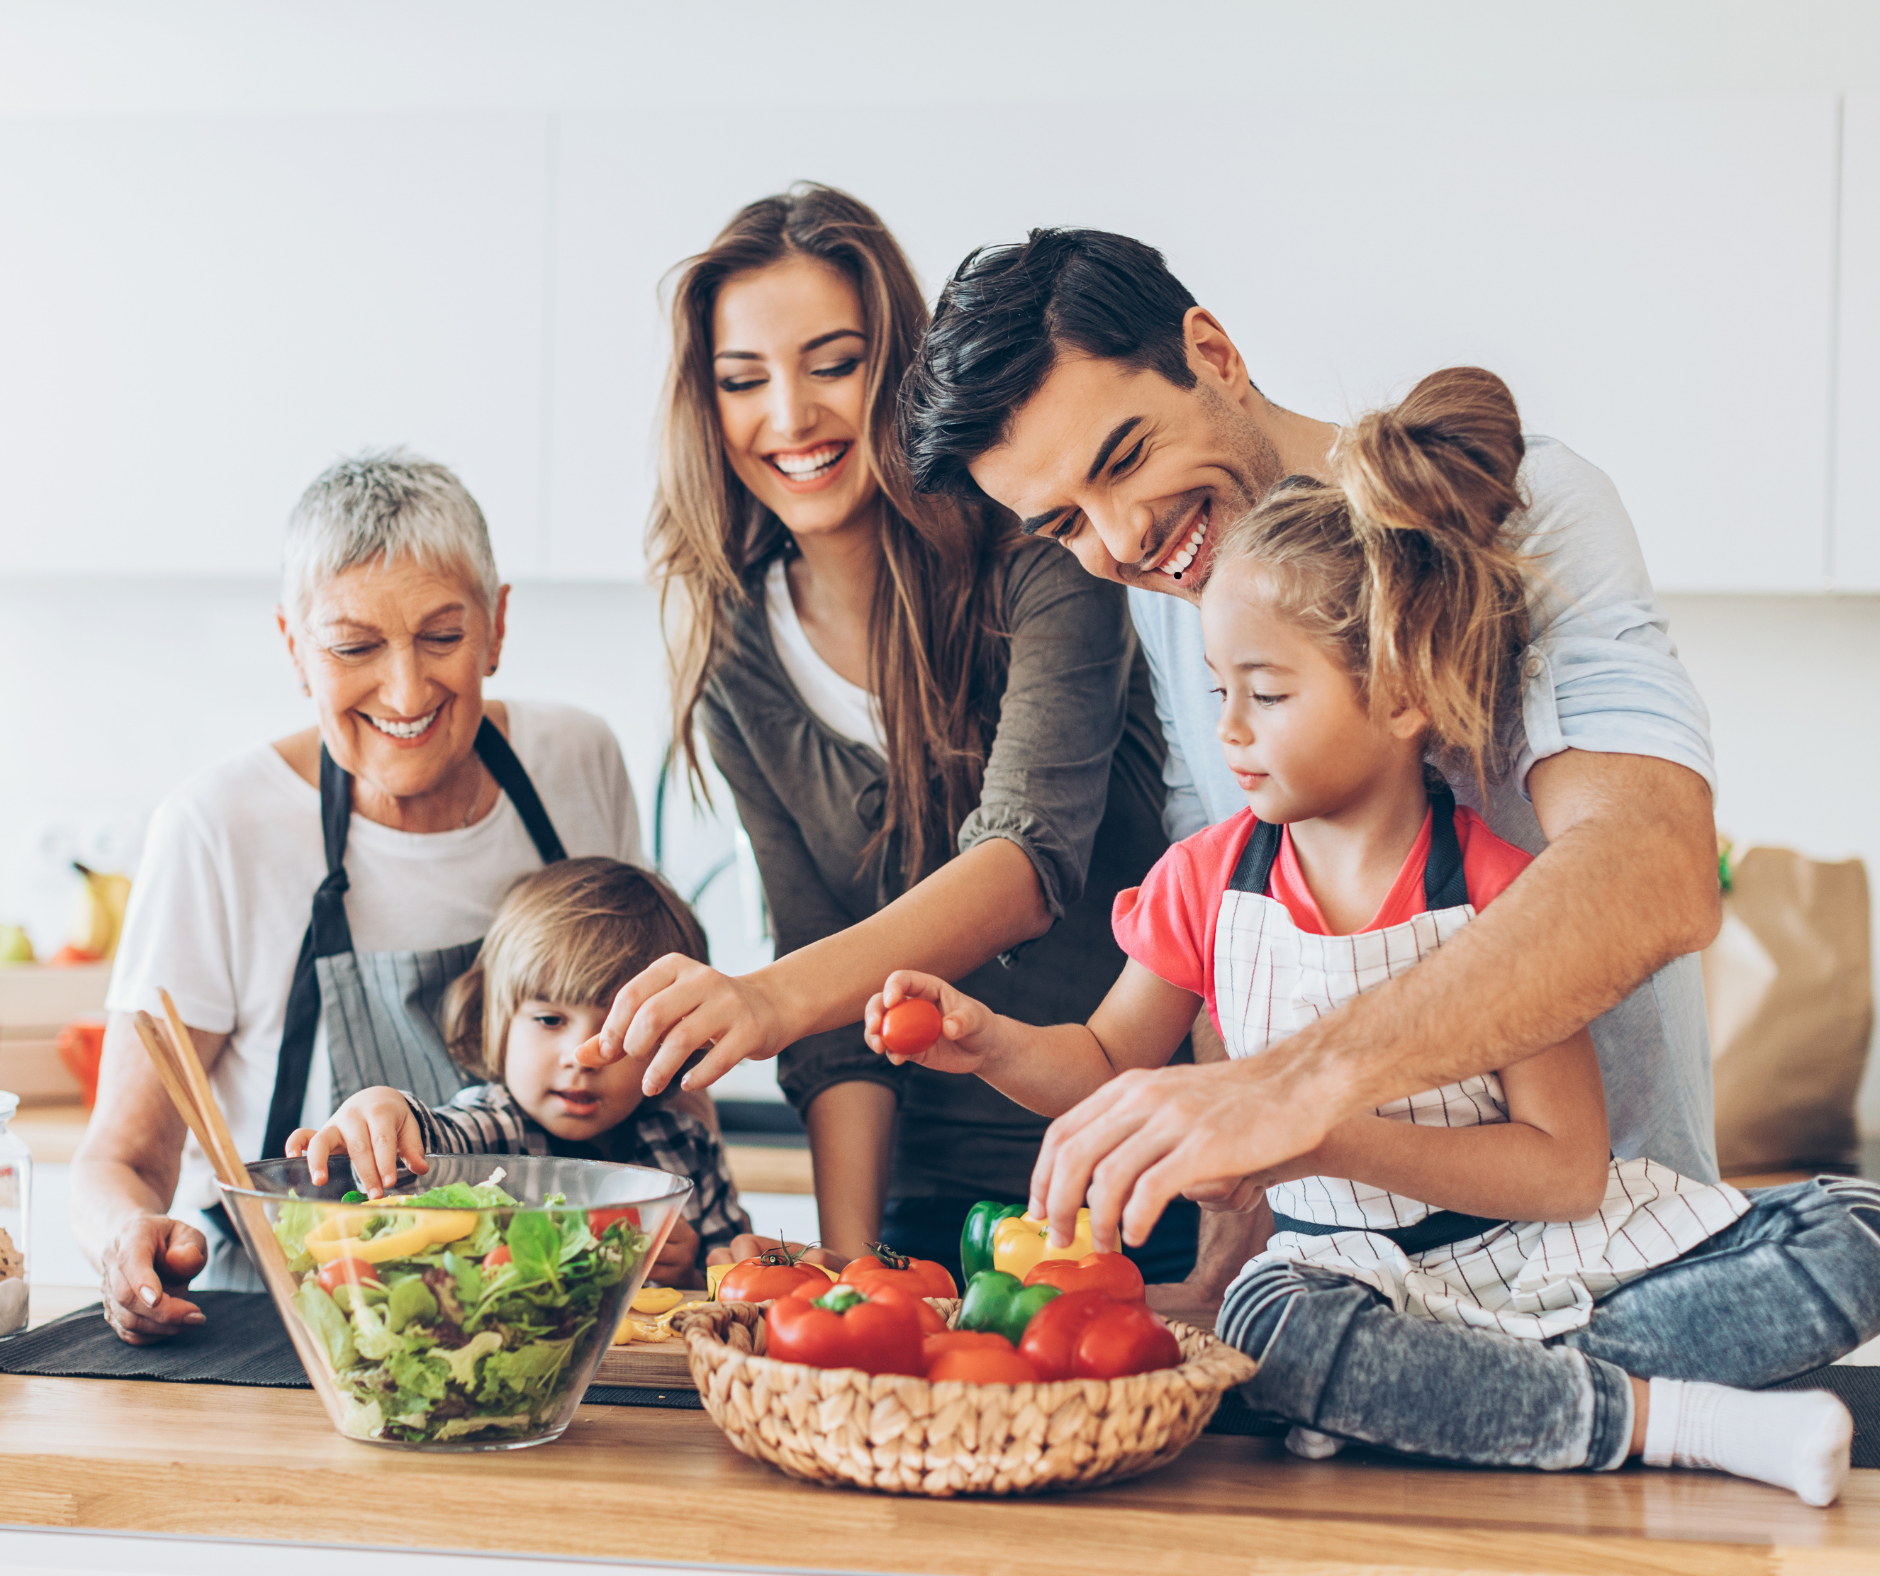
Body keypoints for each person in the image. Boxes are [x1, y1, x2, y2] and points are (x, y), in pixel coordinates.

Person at [868, 370, 1878, 1505]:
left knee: (1851, 1231)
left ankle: (1452, 1400)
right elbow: (1108, 1065)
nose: (1230, 734)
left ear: (1401, 694)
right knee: (1277, 1327)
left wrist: (1316, 1133)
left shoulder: (1508, 898)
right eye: (1216, 693)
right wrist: (990, 1040)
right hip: (1346, 1281)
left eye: (1267, 692)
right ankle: (1665, 1418)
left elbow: (1563, 1169)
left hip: (1543, 1258)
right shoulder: (1203, 882)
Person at [896, 230, 1724, 1297]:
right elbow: (1224, 952)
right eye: (1063, 524)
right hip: (1354, 1281)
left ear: (1211, 351)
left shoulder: (1527, 506)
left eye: (1123, 456)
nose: (1126, 540)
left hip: (1619, 1256)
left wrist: (1295, 1094)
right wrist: (1229, 1239)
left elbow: (1651, 867)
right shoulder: (1175, 601)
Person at [584, 185, 1190, 1286]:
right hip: (924, 1196)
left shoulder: (1042, 556)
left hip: (1131, 1168)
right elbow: (824, 1003)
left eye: (832, 362)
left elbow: (1022, 864)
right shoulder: (734, 647)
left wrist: (763, 997)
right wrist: (848, 1267)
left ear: (899, 372)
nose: (789, 415)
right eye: (742, 380)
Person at [75, 451, 652, 1342]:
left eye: (442, 636)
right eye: (354, 647)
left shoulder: (577, 763)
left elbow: (655, 1054)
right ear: (295, 650)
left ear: (497, 627)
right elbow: (120, 1157)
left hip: (546, 1323)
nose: (406, 690)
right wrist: (126, 1241)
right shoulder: (219, 827)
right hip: (291, 1335)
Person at [286, 858, 750, 1285]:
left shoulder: (688, 1145)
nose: (582, 1057)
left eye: (621, 1031)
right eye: (550, 1020)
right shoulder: (494, 1124)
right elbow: (435, 1137)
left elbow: (735, 1282)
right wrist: (383, 1107)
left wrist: (691, 1271)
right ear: (497, 1023)